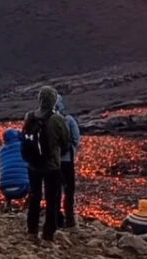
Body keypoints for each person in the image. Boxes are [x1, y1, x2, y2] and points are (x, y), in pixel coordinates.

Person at [22, 86, 70, 242]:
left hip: (33, 165)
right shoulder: (57, 119)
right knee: (52, 200)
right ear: (54, 101)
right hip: (51, 166)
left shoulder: (29, 116)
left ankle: (32, 231)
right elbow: (65, 142)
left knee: (35, 197)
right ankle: (48, 235)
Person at [55, 94, 81, 228]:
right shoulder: (68, 119)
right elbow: (76, 139)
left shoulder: (45, 121)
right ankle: (70, 220)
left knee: (55, 191)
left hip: (52, 162)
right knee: (69, 191)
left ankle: (56, 219)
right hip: (67, 161)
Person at [0, 129, 30, 211]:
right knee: (37, 182)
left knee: (8, 177)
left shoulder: (1, 151)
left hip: (4, 190)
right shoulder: (25, 146)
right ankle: (26, 208)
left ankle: (7, 205)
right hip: (22, 188)